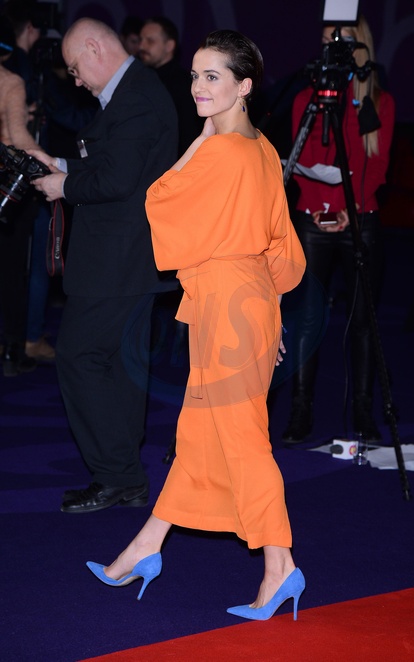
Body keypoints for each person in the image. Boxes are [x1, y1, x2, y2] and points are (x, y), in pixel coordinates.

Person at [85, 29, 307, 622]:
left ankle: (280, 566)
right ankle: (145, 547)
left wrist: (200, 139)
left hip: (227, 310)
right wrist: (270, 318)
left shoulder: (222, 152)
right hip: (247, 307)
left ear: (244, 86)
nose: (198, 88)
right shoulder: (264, 149)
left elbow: (160, 198)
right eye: (194, 76)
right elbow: (280, 248)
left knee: (242, 441)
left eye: (212, 77)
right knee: (201, 436)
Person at [31, 17, 178, 513]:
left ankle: (118, 474)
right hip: (129, 258)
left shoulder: (135, 96)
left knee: (79, 357)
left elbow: (117, 181)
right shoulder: (136, 91)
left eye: (75, 68)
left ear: (95, 48)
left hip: (120, 259)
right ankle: (124, 475)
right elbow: (116, 165)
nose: (75, 80)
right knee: (120, 365)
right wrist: (61, 166)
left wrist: (64, 185)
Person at [282, 15, 395, 445]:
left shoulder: (379, 101)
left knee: (363, 319)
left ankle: (364, 409)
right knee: (308, 318)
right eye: (327, 41)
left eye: (343, 40)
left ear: (359, 46)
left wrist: (351, 208)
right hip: (313, 218)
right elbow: (303, 159)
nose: (333, 49)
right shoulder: (306, 100)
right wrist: (319, 207)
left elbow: (377, 165)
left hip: (360, 217)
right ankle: (300, 409)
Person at [0, 17, 40, 376]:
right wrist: (48, 164)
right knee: (12, 270)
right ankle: (12, 349)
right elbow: (18, 138)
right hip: (4, 187)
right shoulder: (10, 82)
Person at [139, 16, 203, 155]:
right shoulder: (140, 79)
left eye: (150, 41)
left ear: (169, 46)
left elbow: (188, 133)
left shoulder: (184, 85)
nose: (141, 46)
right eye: (141, 40)